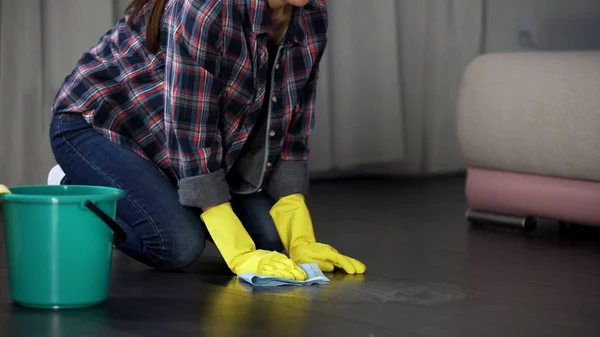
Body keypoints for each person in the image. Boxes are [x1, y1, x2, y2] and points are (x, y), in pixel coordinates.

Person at [49, 0, 366, 280]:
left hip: (172, 144)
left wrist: (299, 233)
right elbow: (190, 130)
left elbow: (291, 120)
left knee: (272, 241)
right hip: (100, 125)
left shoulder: (311, 14)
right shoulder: (207, 7)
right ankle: (72, 184)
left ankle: (158, 194)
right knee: (178, 246)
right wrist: (218, 217)